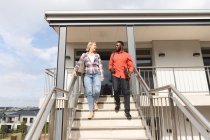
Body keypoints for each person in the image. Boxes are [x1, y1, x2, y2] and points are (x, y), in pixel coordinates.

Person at [74, 42, 104, 119]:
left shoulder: (97, 55)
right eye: (94, 45)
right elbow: (79, 63)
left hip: (96, 74)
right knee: (89, 92)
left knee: (97, 90)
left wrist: (102, 75)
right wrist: (75, 70)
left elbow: (100, 65)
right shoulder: (84, 55)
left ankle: (95, 101)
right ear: (90, 46)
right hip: (87, 75)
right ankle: (91, 111)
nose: (95, 47)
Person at [108, 41, 134, 120]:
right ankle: (118, 104)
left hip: (124, 76)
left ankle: (127, 111)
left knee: (126, 93)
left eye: (117, 45)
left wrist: (129, 72)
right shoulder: (113, 55)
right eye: (115, 45)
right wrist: (111, 68)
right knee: (116, 90)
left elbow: (131, 65)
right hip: (115, 75)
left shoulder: (126, 55)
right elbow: (110, 64)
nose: (116, 46)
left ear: (122, 46)